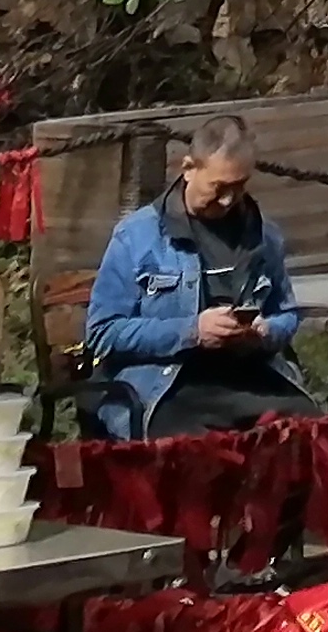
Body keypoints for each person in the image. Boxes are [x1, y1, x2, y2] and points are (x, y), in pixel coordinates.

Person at [82, 118, 309, 438]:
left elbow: (286, 314)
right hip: (167, 387)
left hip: (249, 378)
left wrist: (264, 332)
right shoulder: (136, 237)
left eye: (239, 186)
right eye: (219, 187)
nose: (228, 200)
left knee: (312, 433)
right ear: (188, 168)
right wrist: (192, 331)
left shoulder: (263, 236)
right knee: (197, 450)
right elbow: (103, 332)